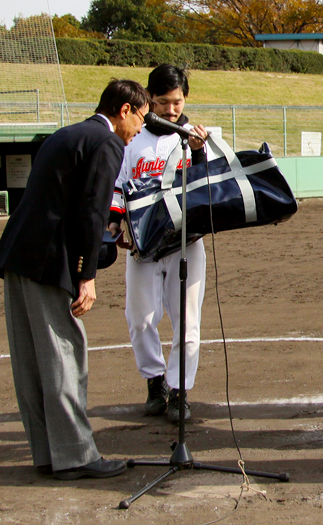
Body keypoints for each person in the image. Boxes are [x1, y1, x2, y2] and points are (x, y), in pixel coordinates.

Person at [0, 79, 149, 480]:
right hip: (48, 262)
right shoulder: (107, 142)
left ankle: (47, 453)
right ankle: (76, 455)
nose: (139, 131)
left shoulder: (67, 134)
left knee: (31, 362)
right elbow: (92, 211)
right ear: (124, 110)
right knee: (63, 354)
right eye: (141, 120)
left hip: (17, 255)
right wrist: (86, 275)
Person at [108, 64, 208, 424]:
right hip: (142, 245)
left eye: (177, 102)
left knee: (187, 321)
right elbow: (118, 185)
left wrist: (198, 153)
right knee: (140, 319)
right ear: (148, 99)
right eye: (163, 102)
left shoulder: (195, 137)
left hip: (186, 243)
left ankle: (180, 390)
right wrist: (114, 222)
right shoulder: (134, 140)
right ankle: (155, 383)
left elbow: (209, 190)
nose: (170, 110)